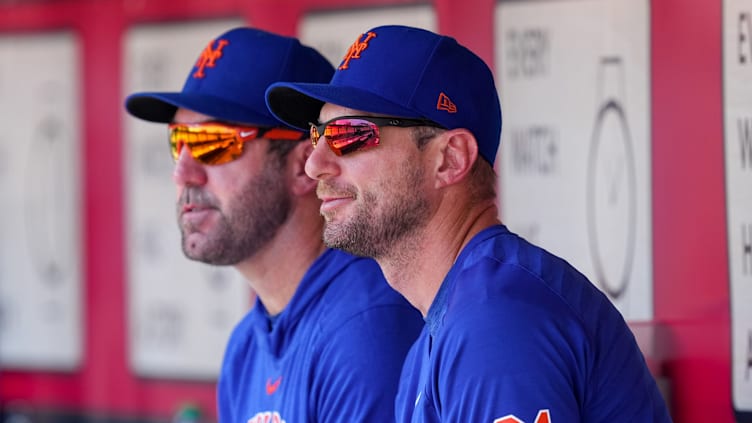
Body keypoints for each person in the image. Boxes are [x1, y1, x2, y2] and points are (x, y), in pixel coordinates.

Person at [266, 25, 673, 422]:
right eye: (318, 135)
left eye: (349, 135)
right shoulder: (440, 332)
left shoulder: (497, 321)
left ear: (451, 158)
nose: (315, 163)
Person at [124, 27, 423, 423]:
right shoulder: (247, 346)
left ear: (303, 165)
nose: (183, 174)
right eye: (178, 142)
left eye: (213, 143)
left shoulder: (366, 331)